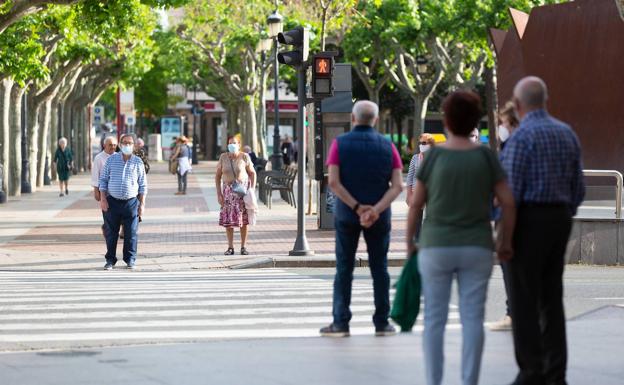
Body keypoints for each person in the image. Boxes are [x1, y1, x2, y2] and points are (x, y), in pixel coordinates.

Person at [406, 90, 516, 385]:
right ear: (474, 122)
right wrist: (504, 241)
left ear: (446, 121)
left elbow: (416, 205)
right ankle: (469, 381)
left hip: (435, 245)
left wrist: (410, 246)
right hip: (477, 246)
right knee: (472, 319)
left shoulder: (432, 157)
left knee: (434, 320)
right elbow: (507, 201)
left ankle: (434, 381)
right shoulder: (486, 156)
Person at [500, 77, 584, 385]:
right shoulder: (567, 134)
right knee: (551, 297)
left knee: (523, 300)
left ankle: (531, 371)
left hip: (528, 221)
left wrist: (504, 235)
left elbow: (510, 194)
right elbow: (579, 186)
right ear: (545, 100)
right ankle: (555, 373)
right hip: (559, 218)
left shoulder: (521, 139)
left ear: (518, 106)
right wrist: (565, 211)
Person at [319, 100, 404, 338]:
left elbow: (334, 182)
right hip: (380, 216)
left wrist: (357, 207)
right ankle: (382, 322)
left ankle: (341, 322)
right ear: (375, 120)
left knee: (344, 268)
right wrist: (375, 209)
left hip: (347, 215)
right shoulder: (389, 147)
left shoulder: (339, 144)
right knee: (380, 268)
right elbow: (397, 186)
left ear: (353, 119)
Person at [488, 101, 521, 332]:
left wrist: (496, 199)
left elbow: (505, 184)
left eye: (503, 123)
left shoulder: (512, 147)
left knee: (509, 265)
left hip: (509, 216)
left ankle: (514, 314)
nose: (501, 127)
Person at [99, 134, 148, 270]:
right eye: (124, 143)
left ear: (134, 145)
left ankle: (130, 259)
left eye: (130, 143)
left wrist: (142, 204)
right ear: (120, 144)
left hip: (131, 202)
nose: (127, 145)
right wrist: (103, 199)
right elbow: (103, 180)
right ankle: (110, 260)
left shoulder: (138, 162)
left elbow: (143, 185)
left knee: (131, 233)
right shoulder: (111, 160)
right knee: (111, 233)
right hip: (112, 202)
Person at [216, 136, 256, 256]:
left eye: (234, 143)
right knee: (228, 222)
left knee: (243, 221)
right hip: (228, 193)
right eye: (229, 143)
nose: (231, 145)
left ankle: (243, 247)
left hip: (241, 193)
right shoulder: (223, 157)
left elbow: (252, 173)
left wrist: (252, 189)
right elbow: (217, 176)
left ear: (239, 145)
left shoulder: (244, 156)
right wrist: (219, 193)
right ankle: (230, 247)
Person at [91, 136, 118, 237]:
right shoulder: (99, 158)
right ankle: (107, 228)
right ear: (104, 145)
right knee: (107, 214)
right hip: (104, 193)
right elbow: (95, 175)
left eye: (115, 145)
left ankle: (107, 227)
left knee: (117, 215)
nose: (112, 147)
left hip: (117, 192)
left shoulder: (118, 156)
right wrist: (96, 190)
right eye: (110, 145)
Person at [405, 133, 436, 206]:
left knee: (430, 216)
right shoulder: (415, 158)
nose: (421, 145)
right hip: (416, 193)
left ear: (431, 144)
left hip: (432, 193)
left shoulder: (436, 158)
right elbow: (410, 177)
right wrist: (409, 195)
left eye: (424, 143)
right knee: (417, 216)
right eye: (420, 143)